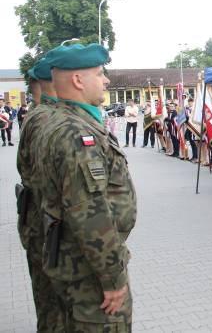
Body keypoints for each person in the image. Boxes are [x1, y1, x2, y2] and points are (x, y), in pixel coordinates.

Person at [36, 43, 136, 331]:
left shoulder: (61, 121)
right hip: (89, 274)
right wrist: (112, 278)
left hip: (76, 263)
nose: (105, 80)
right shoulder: (76, 133)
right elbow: (89, 213)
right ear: (79, 80)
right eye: (99, 73)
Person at [16, 59, 65, 331]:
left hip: (37, 221)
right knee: (53, 308)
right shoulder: (46, 117)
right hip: (44, 226)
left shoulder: (36, 114)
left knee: (47, 305)